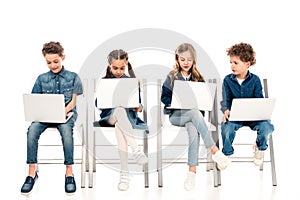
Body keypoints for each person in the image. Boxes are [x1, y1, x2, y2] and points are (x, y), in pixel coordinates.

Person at [161, 43, 230, 191]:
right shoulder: (171, 76)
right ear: (177, 59)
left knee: (193, 127)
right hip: (176, 116)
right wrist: (175, 99)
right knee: (194, 113)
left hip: (194, 118)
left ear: (194, 60)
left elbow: (205, 99)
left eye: (189, 59)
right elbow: (164, 98)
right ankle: (214, 150)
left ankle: (191, 173)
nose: (186, 63)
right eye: (183, 59)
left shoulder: (199, 78)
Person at [20, 41, 83, 195]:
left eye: (56, 61)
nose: (53, 65)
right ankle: (31, 172)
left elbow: (74, 101)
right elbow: (35, 100)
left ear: (63, 58)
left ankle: (69, 172)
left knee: (67, 132)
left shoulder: (73, 77)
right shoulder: (41, 78)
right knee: (32, 130)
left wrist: (63, 112)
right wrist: (41, 113)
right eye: (49, 62)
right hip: (45, 116)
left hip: (66, 115)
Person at [95, 49, 148, 191]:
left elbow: (138, 102)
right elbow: (97, 103)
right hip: (109, 117)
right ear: (109, 66)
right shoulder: (105, 81)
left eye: (122, 68)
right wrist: (104, 100)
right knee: (118, 110)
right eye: (115, 68)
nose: (118, 71)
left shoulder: (130, 81)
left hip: (125, 119)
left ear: (126, 65)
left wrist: (139, 107)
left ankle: (124, 173)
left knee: (120, 126)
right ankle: (136, 149)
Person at [220, 42, 274, 167]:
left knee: (267, 127)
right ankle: (226, 153)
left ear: (247, 64)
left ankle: (259, 148)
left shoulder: (255, 80)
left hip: (253, 117)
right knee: (226, 128)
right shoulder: (227, 80)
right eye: (231, 62)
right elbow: (225, 100)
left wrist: (261, 112)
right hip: (235, 117)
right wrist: (226, 110)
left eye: (236, 63)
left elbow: (259, 100)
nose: (232, 66)